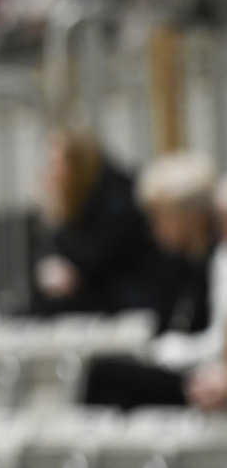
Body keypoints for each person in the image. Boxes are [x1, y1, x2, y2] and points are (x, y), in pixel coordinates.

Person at [84, 151, 224, 410]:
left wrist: (170, 349)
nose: (153, 228)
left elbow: (217, 341)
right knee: (101, 372)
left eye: (160, 216)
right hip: (184, 364)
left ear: (191, 216)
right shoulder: (180, 263)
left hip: (202, 370)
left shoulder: (218, 260)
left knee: (107, 378)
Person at [30, 130, 167, 315]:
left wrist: (64, 268)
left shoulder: (118, 199)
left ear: (76, 165)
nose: (47, 173)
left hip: (134, 303)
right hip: (107, 302)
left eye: (54, 164)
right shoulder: (80, 198)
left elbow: (93, 262)